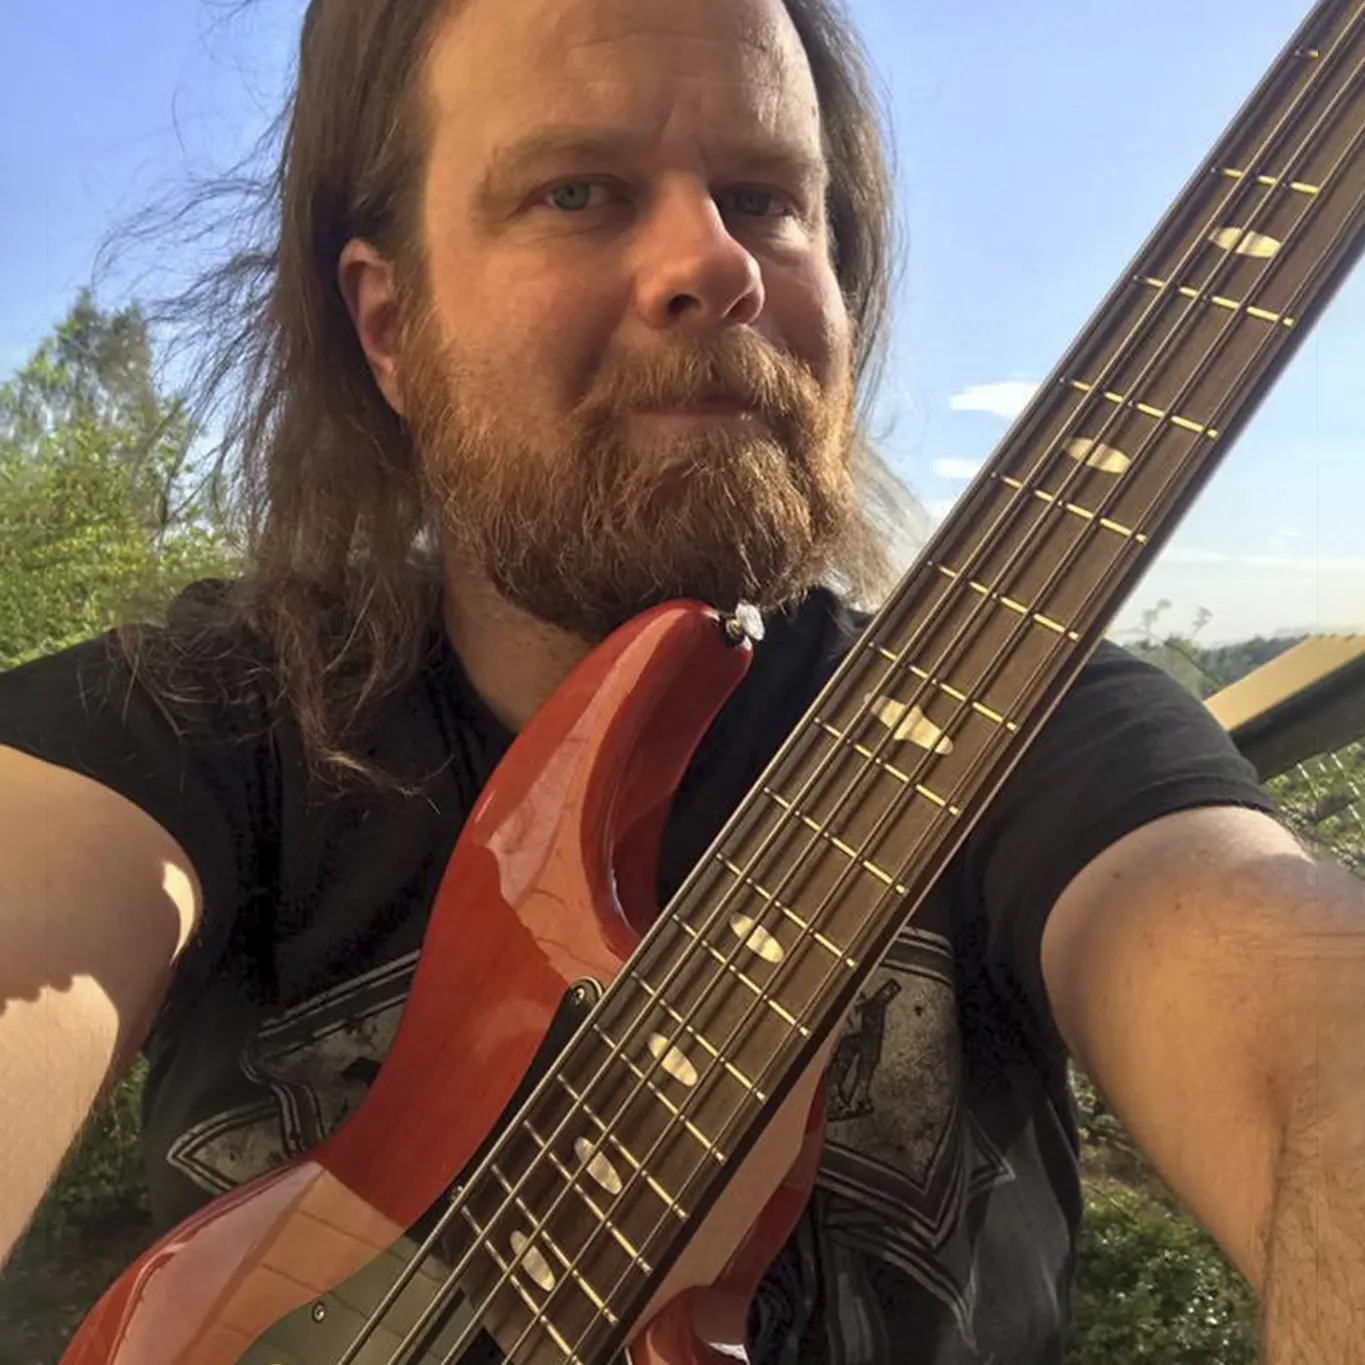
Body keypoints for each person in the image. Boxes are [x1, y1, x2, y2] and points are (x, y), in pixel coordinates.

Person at [2, 0, 1362, 1359]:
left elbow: (1294, 1017)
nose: (712, 262)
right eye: (576, 192)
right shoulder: (186, 728)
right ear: (389, 326)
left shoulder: (1031, 728)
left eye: (769, 198)